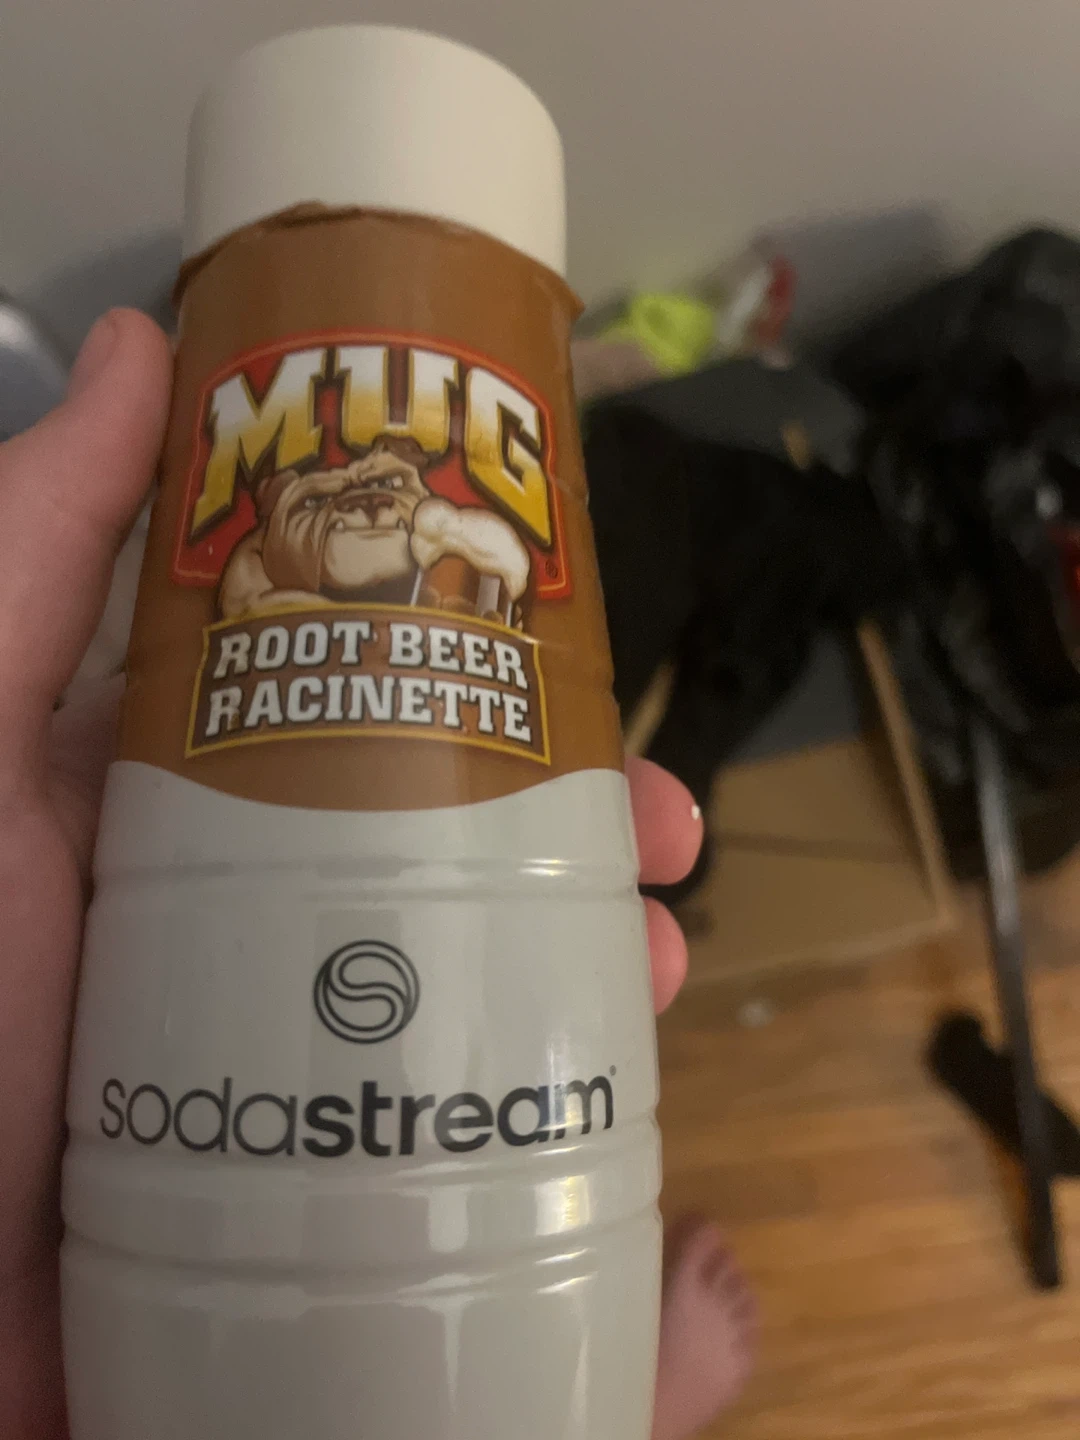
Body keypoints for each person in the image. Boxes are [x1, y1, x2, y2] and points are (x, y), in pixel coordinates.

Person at [0, 310, 757, 1440]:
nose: (367, 492)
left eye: (386, 484)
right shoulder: (268, 576)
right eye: (332, 484)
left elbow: (484, 560)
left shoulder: (439, 554)